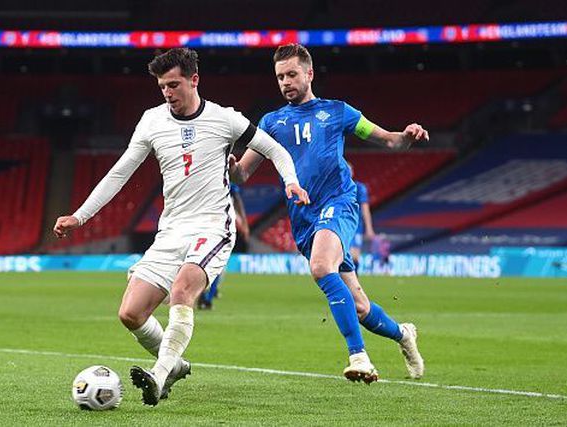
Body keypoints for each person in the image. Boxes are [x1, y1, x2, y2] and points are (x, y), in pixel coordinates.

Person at [53, 48, 309, 406]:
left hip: (213, 226)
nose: (168, 93)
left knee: (182, 288)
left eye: (173, 84)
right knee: (131, 313)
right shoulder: (152, 121)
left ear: (194, 80)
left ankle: (158, 377)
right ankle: (174, 365)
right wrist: (79, 215)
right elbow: (120, 173)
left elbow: (275, 150)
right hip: (171, 229)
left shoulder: (225, 119)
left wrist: (290, 182)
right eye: (162, 87)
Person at [231, 44, 426, 382]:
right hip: (304, 219)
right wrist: (230, 165)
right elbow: (243, 174)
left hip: (339, 202)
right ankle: (403, 334)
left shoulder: (338, 112)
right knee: (360, 306)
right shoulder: (271, 122)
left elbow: (389, 141)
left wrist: (407, 136)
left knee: (321, 266)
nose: (286, 82)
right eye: (280, 77)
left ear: (309, 73)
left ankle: (360, 357)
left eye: (292, 74)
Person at [197, 182, 249, 310]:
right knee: (217, 267)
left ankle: (203, 294)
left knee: (202, 264)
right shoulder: (229, 183)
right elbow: (238, 202)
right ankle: (207, 297)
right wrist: (244, 224)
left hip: (202, 226)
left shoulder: (205, 181)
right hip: (219, 228)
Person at [347, 162, 375, 273]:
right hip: (339, 224)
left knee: (354, 256)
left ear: (352, 172)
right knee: (343, 256)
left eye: (349, 170)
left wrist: (369, 228)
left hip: (355, 226)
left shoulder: (359, 188)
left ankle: (353, 283)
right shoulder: (336, 188)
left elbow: (365, 209)